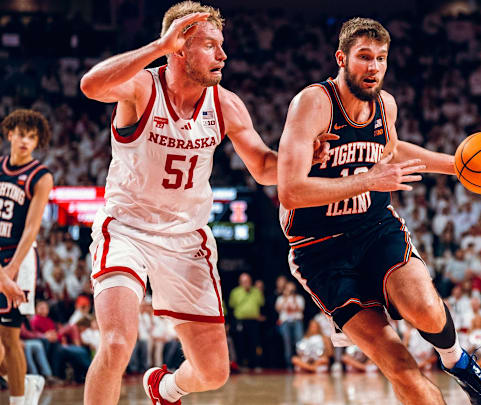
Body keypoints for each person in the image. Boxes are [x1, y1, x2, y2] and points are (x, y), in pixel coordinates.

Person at [79, 2, 331, 403]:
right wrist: (157, 46)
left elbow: (265, 168)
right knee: (116, 343)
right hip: (127, 230)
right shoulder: (143, 87)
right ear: (179, 48)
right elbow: (91, 86)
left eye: (221, 45)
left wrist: (301, 159)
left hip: (185, 239)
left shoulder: (226, 104)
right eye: (210, 45)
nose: (223, 55)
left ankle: (165, 387)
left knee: (213, 373)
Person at [276, 17, 481, 405]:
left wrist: (457, 166)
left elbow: (391, 151)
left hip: (374, 227)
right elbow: (291, 191)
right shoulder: (313, 103)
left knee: (426, 308)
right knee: (401, 369)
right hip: (320, 249)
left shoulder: (385, 105)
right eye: (364, 57)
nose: (374, 67)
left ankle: (459, 363)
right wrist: (368, 181)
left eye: (381, 58)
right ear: (341, 58)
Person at [0, 109, 54, 405]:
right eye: (21, 134)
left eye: (31, 138)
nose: (25, 141)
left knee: (10, 338)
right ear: (10, 134)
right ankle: (26, 381)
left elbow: (31, 229)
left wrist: (10, 270)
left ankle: (19, 400)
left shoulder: (40, 176)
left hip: (18, 258)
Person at [228, 273, 264, 370]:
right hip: (240, 321)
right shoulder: (235, 292)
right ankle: (241, 364)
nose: (246, 283)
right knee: (241, 343)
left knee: (254, 343)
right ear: (240, 282)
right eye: (244, 281)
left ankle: (255, 364)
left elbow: (261, 303)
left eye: (247, 281)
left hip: (253, 321)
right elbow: (232, 306)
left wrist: (260, 291)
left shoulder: (256, 291)